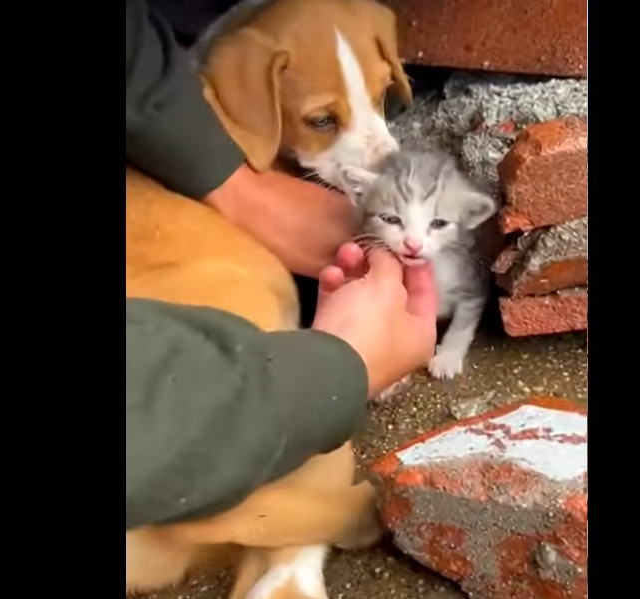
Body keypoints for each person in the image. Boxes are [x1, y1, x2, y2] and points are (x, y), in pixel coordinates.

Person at [126, 0, 438, 532]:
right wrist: (339, 371)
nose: (382, 154)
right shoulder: (239, 82)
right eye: (324, 120)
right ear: (251, 103)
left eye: (379, 95)